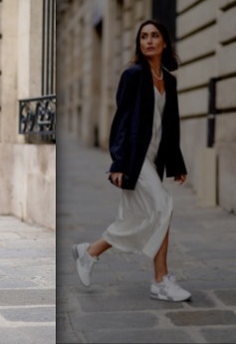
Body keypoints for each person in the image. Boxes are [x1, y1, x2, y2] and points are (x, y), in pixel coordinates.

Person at [72, 19, 191, 302]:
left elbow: (171, 125)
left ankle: (90, 252)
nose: (148, 41)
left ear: (164, 42)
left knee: (140, 217)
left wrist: (177, 164)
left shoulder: (169, 80)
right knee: (164, 205)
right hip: (136, 160)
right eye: (143, 37)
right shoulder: (134, 75)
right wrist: (119, 164)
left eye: (154, 36)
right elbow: (121, 121)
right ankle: (160, 280)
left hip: (155, 158)